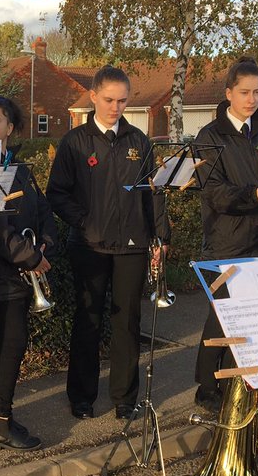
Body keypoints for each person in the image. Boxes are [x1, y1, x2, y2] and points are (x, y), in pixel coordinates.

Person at [46, 65, 170, 421]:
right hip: (89, 245)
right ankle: (82, 397)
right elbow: (57, 194)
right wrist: (85, 222)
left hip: (132, 246)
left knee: (127, 323)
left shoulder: (139, 142)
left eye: (122, 101)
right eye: (109, 100)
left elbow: (153, 194)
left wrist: (160, 236)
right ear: (95, 97)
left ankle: (124, 398)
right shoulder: (75, 142)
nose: (116, 107)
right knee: (88, 321)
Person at [191, 57, 258, 411]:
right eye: (245, 92)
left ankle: (241, 380)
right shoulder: (210, 137)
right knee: (221, 318)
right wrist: (255, 195)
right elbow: (213, 192)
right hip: (226, 239)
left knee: (253, 317)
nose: (252, 100)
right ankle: (206, 388)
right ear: (229, 93)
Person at [0, 96, 58, 449]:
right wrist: (29, 257)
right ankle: (1, 425)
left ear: (9, 128)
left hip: (20, 272)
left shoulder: (18, 167)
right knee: (10, 345)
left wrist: (45, 245)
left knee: (12, 344)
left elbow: (43, 210)